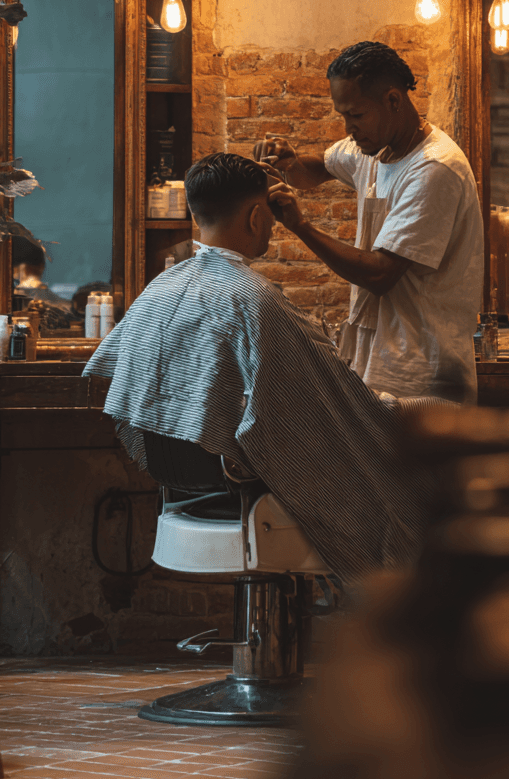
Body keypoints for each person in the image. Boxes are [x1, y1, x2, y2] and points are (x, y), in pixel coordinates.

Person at [83, 152, 431, 584]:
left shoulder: (159, 288)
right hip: (239, 479)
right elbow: (333, 398)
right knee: (419, 436)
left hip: (182, 482)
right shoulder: (254, 297)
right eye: (267, 214)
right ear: (255, 217)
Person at [253, 41, 483, 402]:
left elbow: (380, 274)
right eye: (343, 116)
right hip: (378, 360)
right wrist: (289, 163)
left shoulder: (434, 168)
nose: (349, 128)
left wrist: (301, 226)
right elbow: (318, 169)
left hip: (423, 374)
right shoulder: (373, 149)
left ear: (393, 101)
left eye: (357, 115)